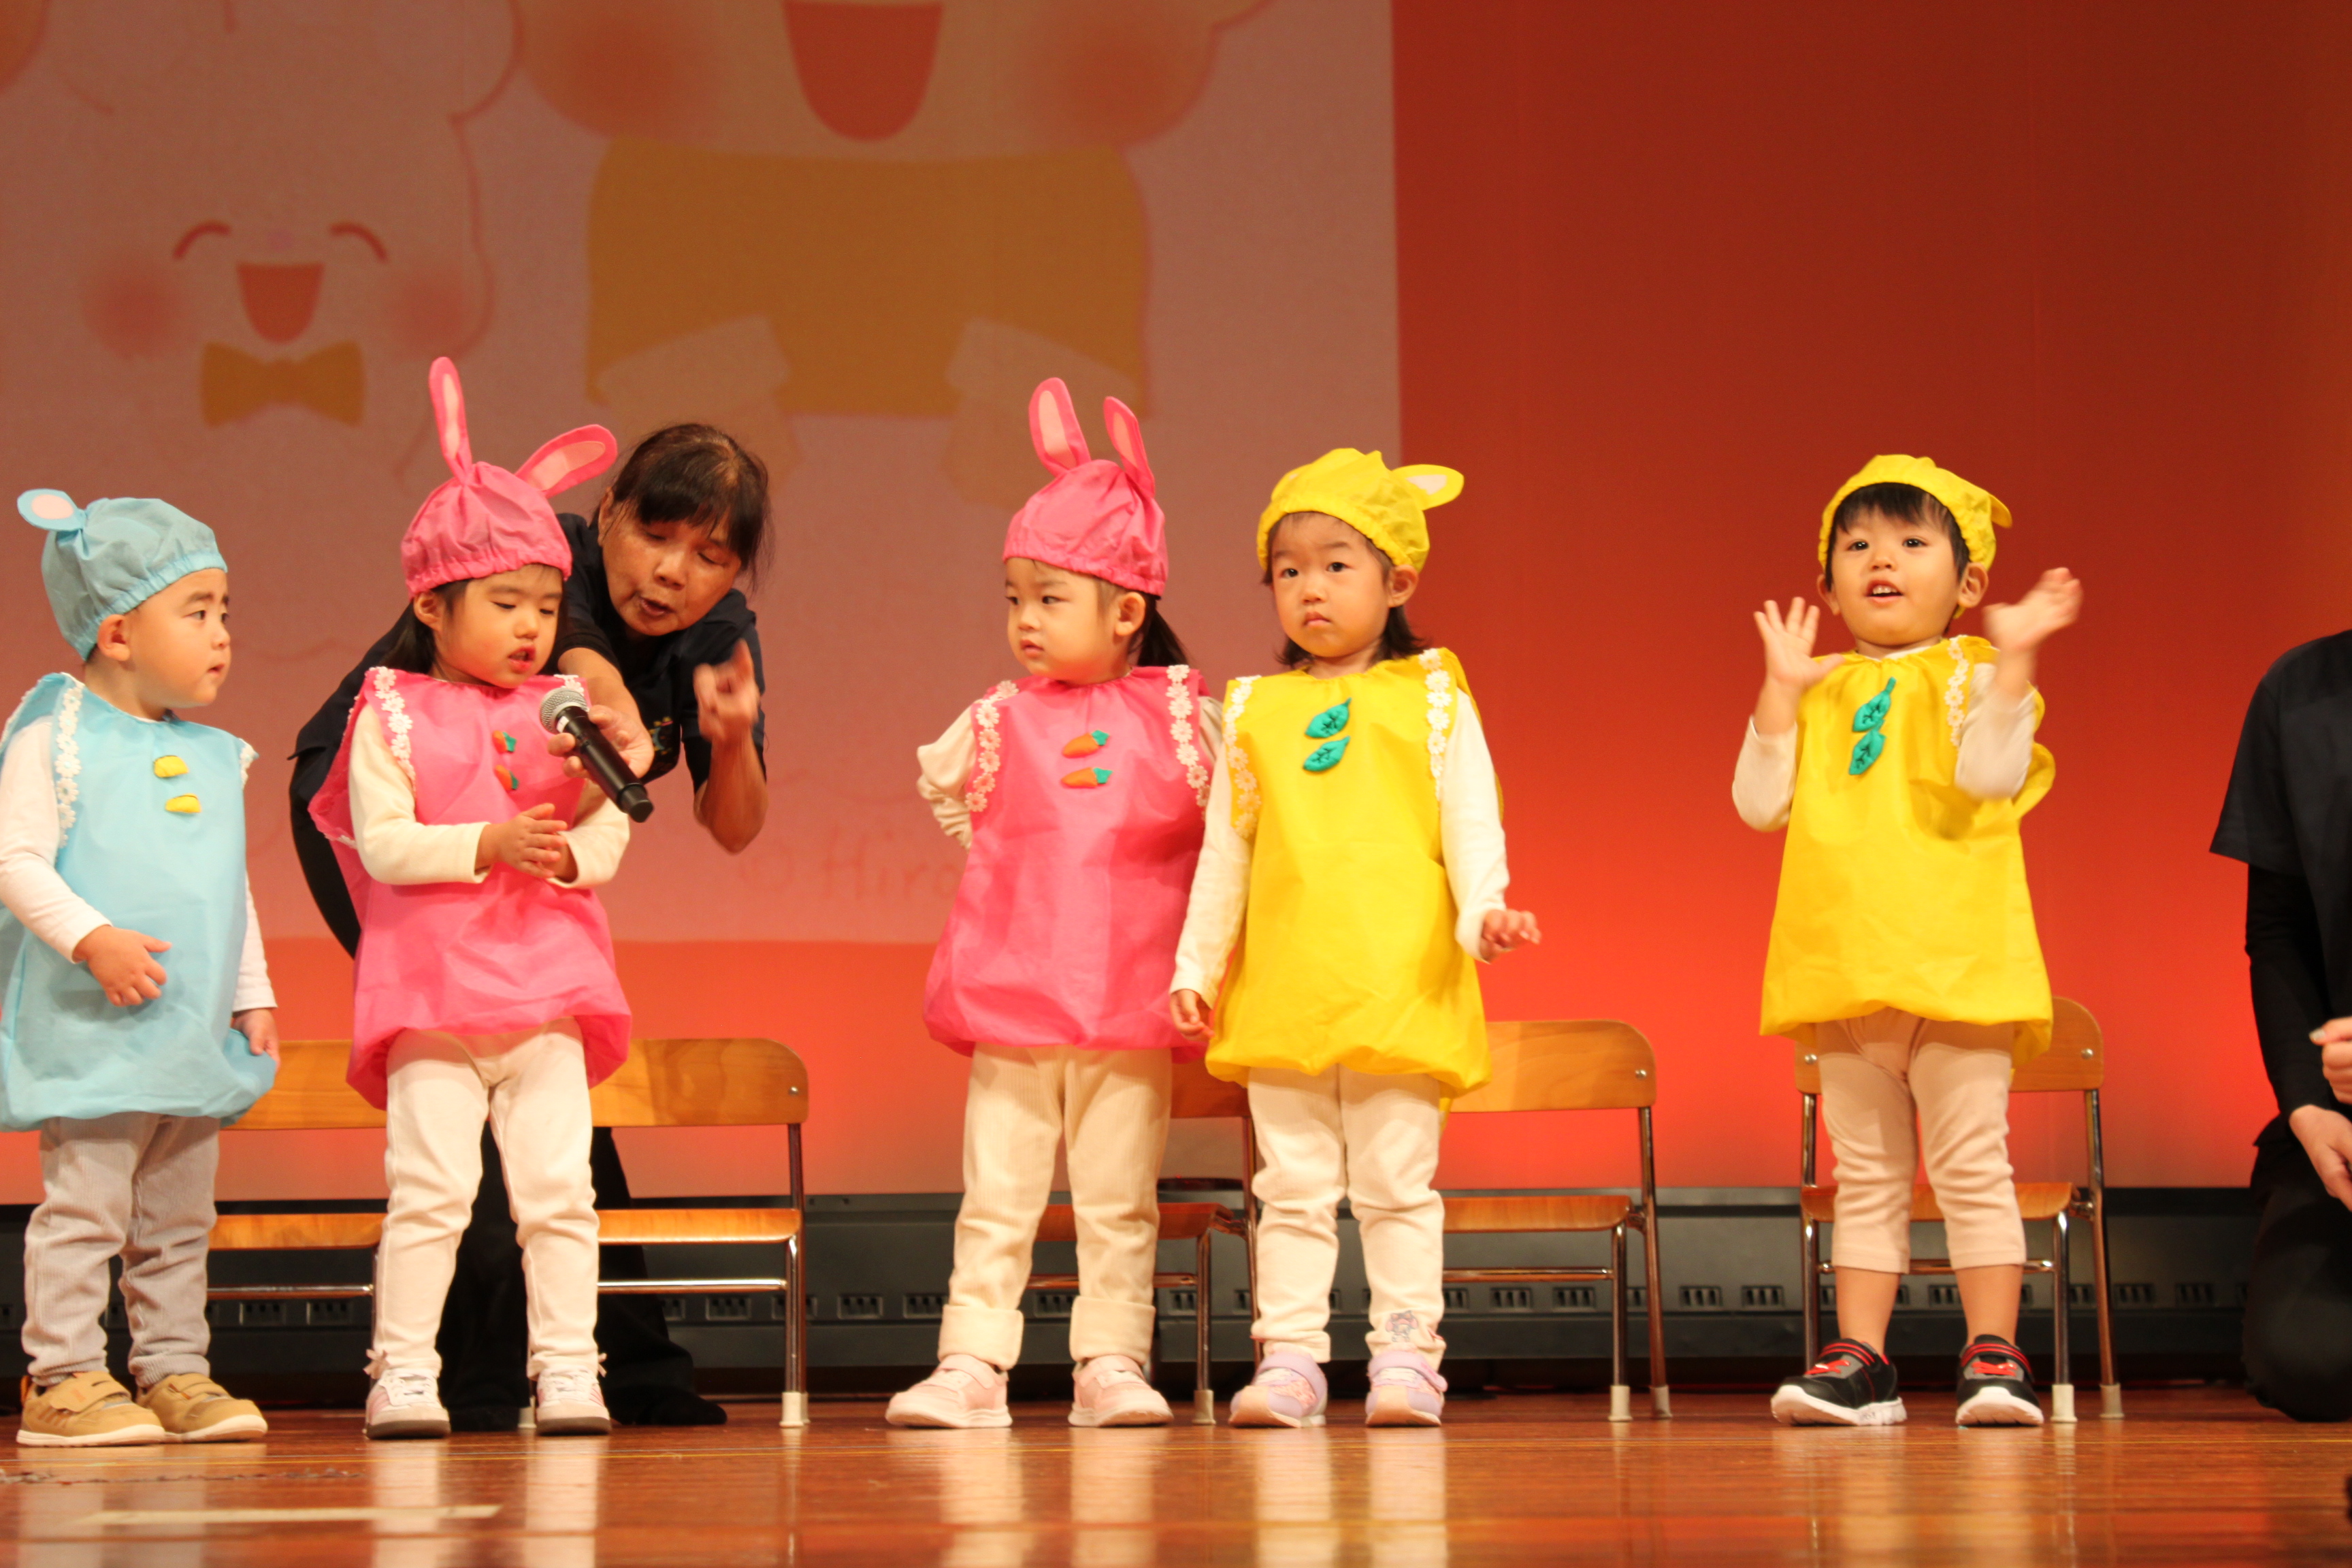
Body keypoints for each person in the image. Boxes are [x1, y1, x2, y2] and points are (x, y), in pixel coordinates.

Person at [288, 419, 770, 1430]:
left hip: (526, 848)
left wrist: (729, 742)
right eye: (656, 536)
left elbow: (732, 827)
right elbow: (581, 680)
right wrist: (606, 715)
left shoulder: (720, 636)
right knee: (457, 1074)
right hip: (391, 822)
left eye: (711, 556)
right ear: (607, 515)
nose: (674, 573)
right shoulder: (540, 557)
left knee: (548, 1096)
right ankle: (468, 1371)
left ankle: (591, 1363)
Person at [1169, 448, 1539, 1429]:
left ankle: (1408, 1357)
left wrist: (1485, 911)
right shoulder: (1256, 710)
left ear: (1397, 581)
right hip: (1289, 987)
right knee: (1289, 1188)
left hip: (1399, 980)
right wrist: (1196, 965)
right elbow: (1228, 853)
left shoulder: (1433, 696)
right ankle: (1291, 1359)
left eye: (1337, 565)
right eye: (1289, 570)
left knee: (1395, 1186)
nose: (1311, 588)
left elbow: (1471, 823)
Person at [308, 359, 633, 1440]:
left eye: (546, 605)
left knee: (560, 1194)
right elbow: (386, 845)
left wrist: (574, 851)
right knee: (432, 1193)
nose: (532, 627)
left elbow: (608, 826)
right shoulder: (391, 712)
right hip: (433, 996)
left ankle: (570, 1368)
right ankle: (404, 1372)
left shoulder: (562, 707)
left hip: (547, 989)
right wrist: (492, 843)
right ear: (431, 603)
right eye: (505, 604)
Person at [886, 380, 1219, 1431]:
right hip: (1015, 993)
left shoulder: (1182, 718)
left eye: (1050, 599)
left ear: (1127, 613)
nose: (1025, 620)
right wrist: (1008, 862)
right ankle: (972, 1361)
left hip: (1129, 1000)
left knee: (1120, 1198)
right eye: (1015, 598)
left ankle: (1110, 1360)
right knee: (998, 1193)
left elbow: (1230, 830)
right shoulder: (1000, 718)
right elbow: (952, 795)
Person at [1736, 455, 2084, 1428]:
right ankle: (1863, 1361)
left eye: (1911, 542)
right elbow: (1758, 802)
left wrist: (2015, 659)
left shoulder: (1975, 673)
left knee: (1972, 1164)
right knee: (1865, 1176)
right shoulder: (1819, 687)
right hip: (1845, 972)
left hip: (1957, 969)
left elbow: (1991, 776)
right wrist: (1780, 691)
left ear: (1969, 584)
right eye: (1857, 545)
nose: (1880, 560)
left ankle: (1994, 1353)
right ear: (1828, 585)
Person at [2, 489, 278, 1446]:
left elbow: (229, 885)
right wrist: (94, 939)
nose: (222, 634)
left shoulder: (210, 755)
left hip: (184, 1030)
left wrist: (250, 992)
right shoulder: (55, 736)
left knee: (178, 1216)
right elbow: (16, 863)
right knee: (86, 1208)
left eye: (224, 611)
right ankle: (64, 1377)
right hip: (97, 1029)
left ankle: (173, 1370)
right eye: (196, 611)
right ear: (118, 632)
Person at [2213, 629, 2352, 1421]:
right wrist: (2306, 1103)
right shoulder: (2300, 688)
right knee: (2307, 1362)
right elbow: (2279, 930)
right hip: (2346, 1115)